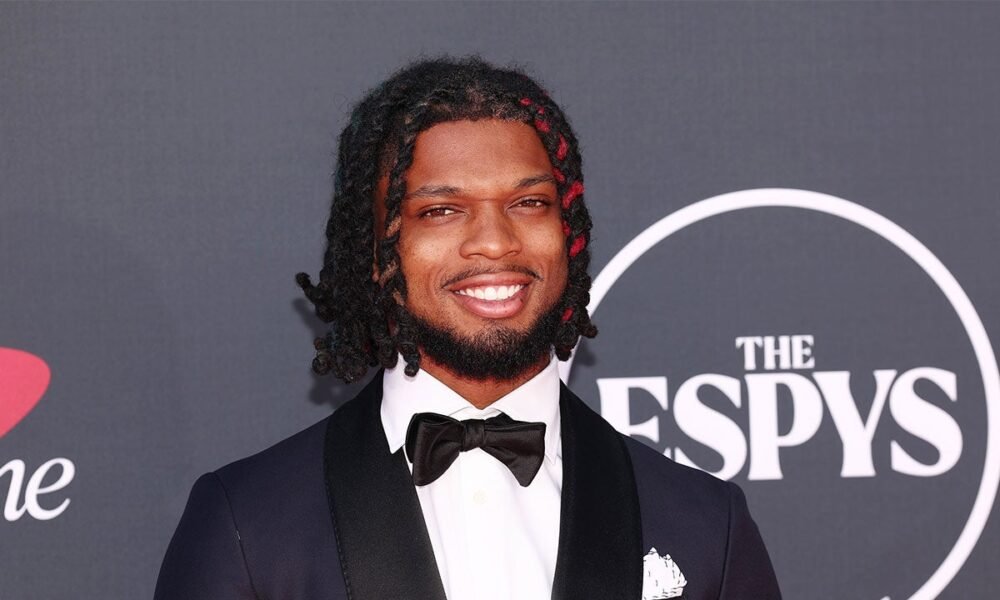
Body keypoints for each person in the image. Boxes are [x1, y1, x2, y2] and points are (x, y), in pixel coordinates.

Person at [155, 57, 781, 600]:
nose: (495, 241)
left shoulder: (706, 526)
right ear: (376, 252)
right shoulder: (246, 524)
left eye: (529, 203)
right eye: (441, 210)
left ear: (570, 233)